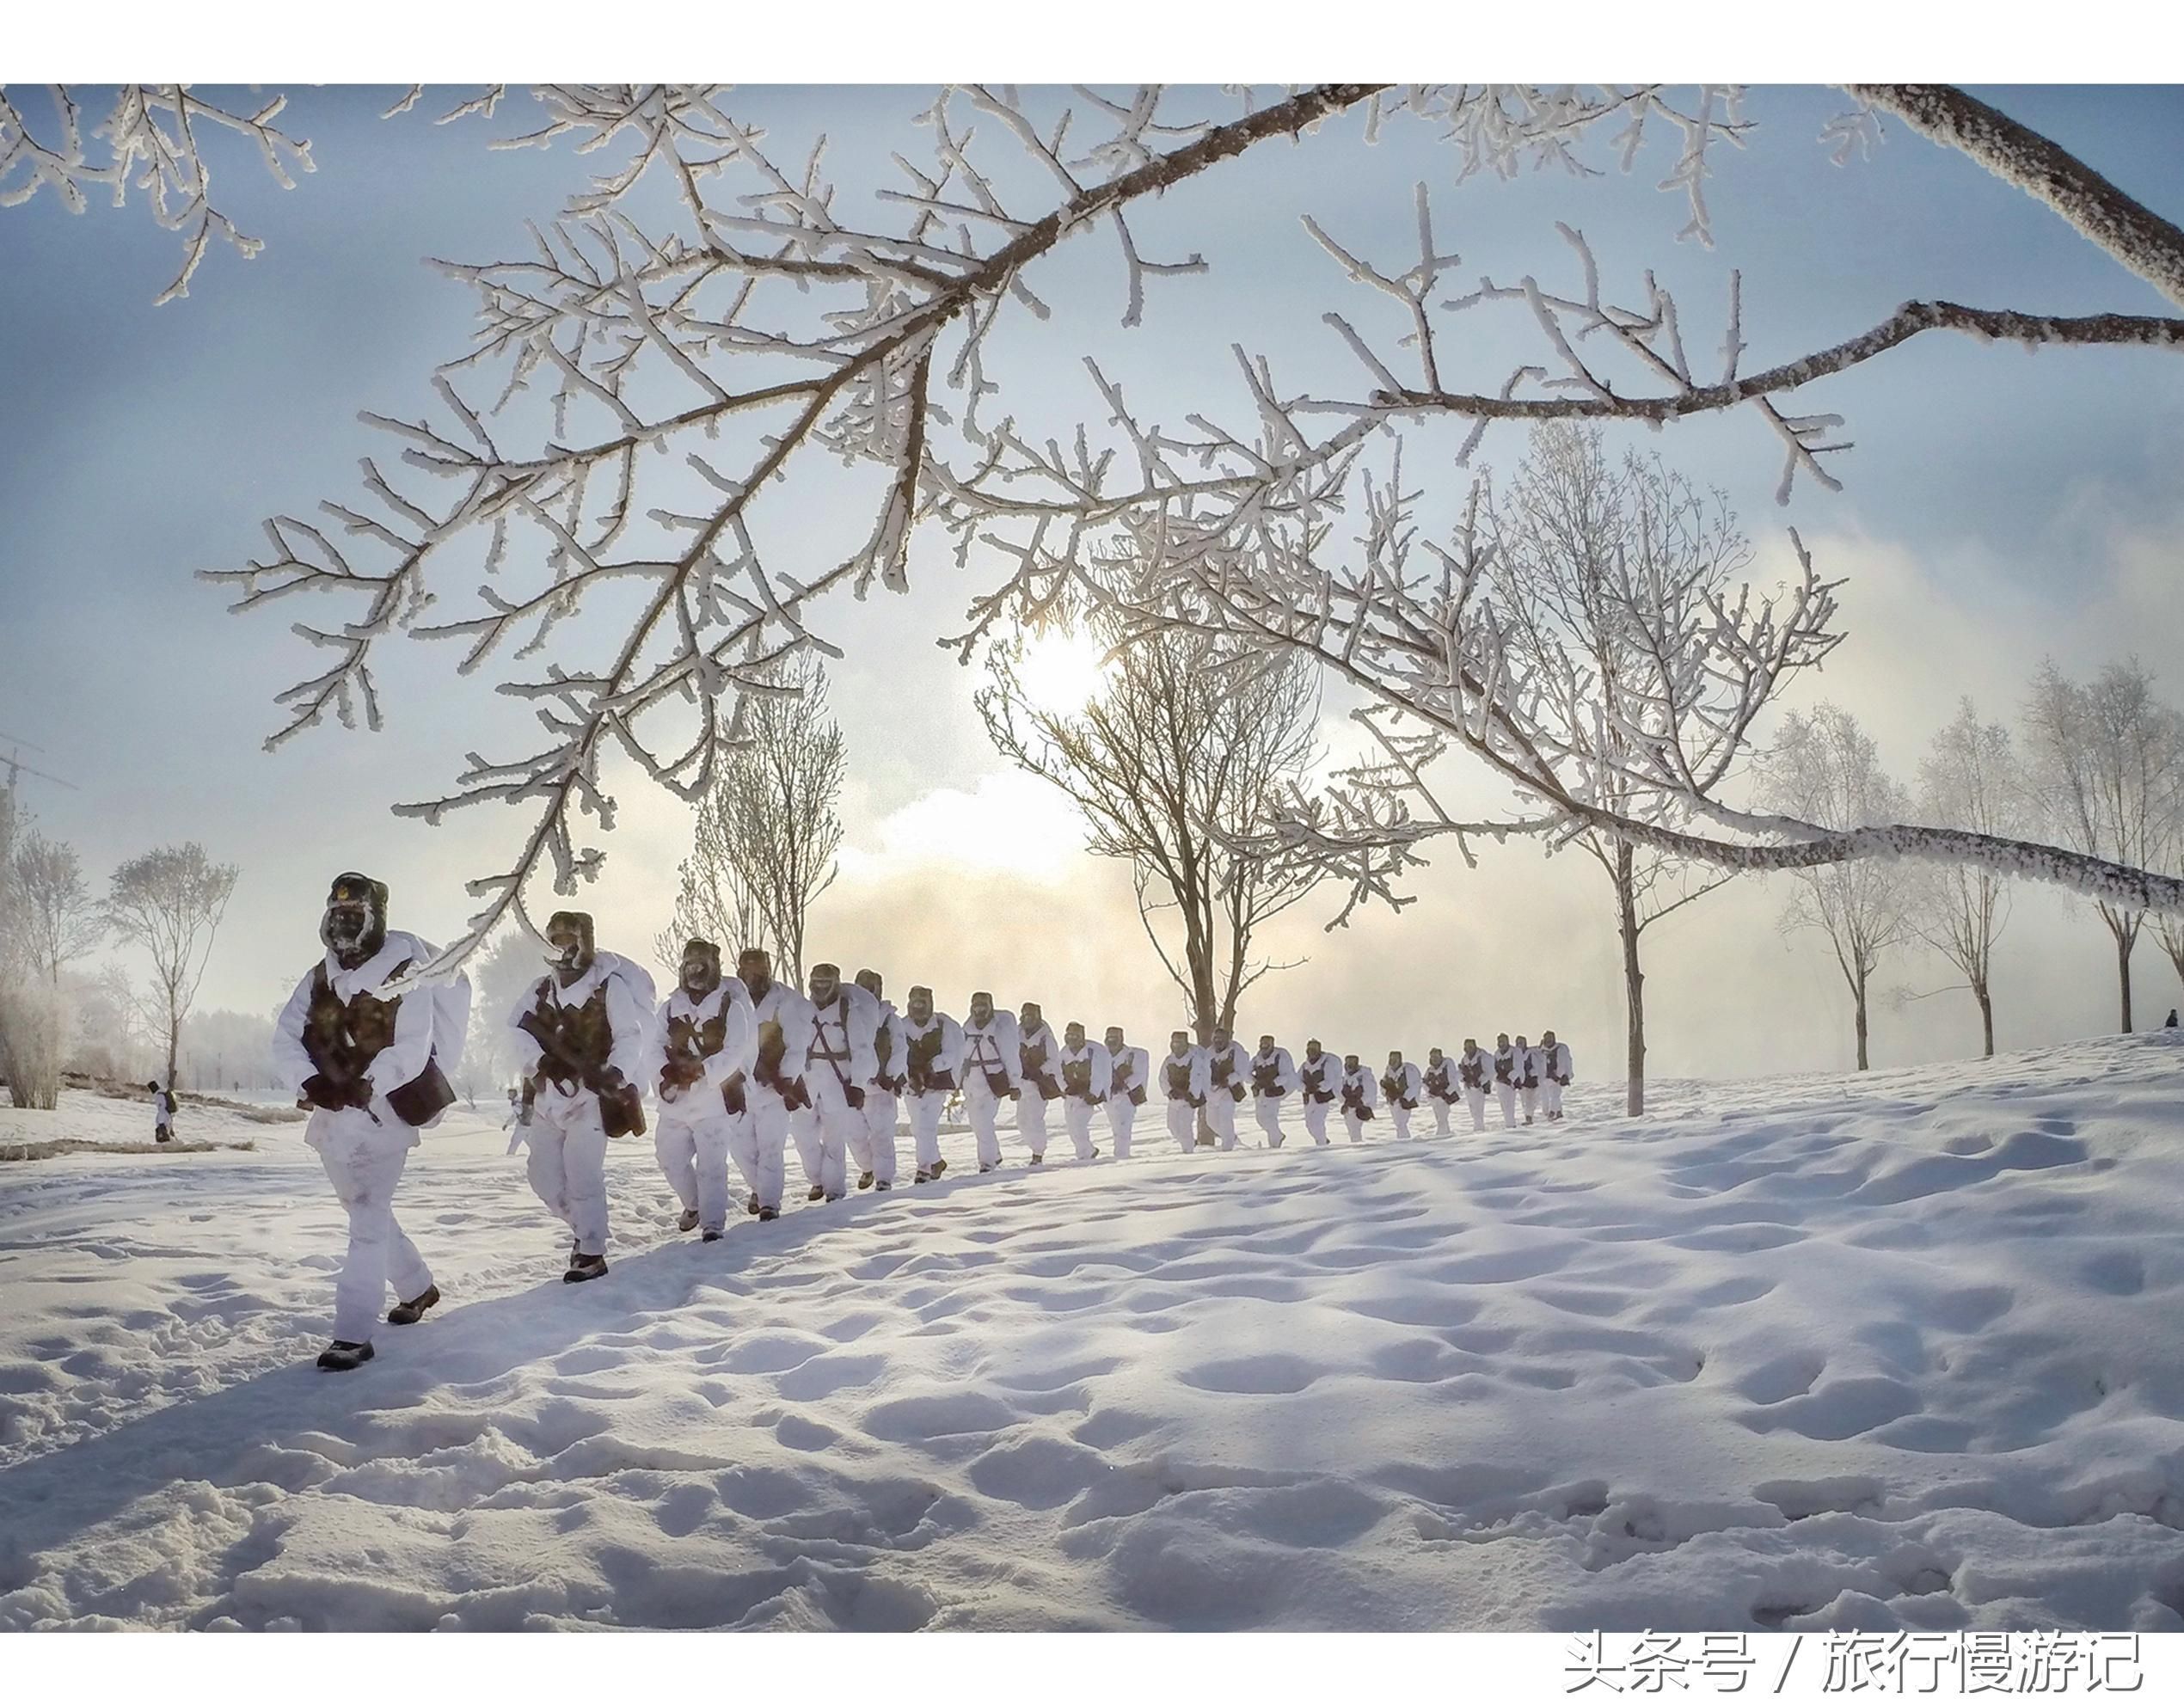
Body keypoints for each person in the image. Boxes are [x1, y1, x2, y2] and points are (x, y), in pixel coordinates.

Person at [273, 873, 471, 1371]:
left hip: (384, 1114)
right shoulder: (317, 976)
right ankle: (418, 1287)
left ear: (374, 918)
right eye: (337, 913)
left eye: (354, 915)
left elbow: (412, 1045)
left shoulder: (408, 971)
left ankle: (352, 1334)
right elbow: (285, 1037)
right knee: (361, 1208)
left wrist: (370, 1083)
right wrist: (309, 1083)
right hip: (331, 1117)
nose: (343, 924)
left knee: (365, 1216)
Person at [509, 911, 653, 1284]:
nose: (561, 946)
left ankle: (591, 1251)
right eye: (553, 938)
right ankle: (586, 1226)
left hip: (590, 1098)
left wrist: (615, 1073)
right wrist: (539, 1062)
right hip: (547, 1099)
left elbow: (629, 1035)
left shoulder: (609, 986)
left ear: (584, 941)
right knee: (542, 1177)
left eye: (568, 938)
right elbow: (514, 1028)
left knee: (582, 1174)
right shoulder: (541, 988)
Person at [641, 939, 753, 1242]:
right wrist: (667, 1072)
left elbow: (736, 1050)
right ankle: (694, 1206)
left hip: (714, 1100)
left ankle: (713, 1224)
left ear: (714, 967)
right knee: (669, 1159)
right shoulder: (669, 1008)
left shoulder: (732, 1005)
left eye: (702, 965)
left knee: (712, 1165)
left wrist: (702, 1070)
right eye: (690, 965)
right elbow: (653, 1045)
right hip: (676, 1100)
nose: (695, 971)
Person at [734, 947, 813, 1221]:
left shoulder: (785, 1001)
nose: (754, 974)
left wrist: (785, 1078)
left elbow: (796, 1046)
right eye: (748, 968)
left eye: (760, 968)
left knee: (770, 1147)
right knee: (741, 1148)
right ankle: (759, 1188)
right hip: (739, 1087)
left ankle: (769, 1202)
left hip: (773, 1088)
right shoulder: (731, 997)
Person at [802, 963, 880, 1204]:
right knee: (803, 1137)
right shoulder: (802, 1010)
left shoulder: (849, 1012)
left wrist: (857, 1084)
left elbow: (862, 1050)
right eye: (817, 982)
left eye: (826, 982)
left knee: (834, 1139)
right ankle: (817, 1179)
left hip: (837, 1081)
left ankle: (834, 1191)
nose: (821, 987)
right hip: (807, 1080)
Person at [899, 985, 962, 1183]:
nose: (918, 1006)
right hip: (911, 1085)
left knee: (926, 1126)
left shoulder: (945, 1025)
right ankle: (936, 1162)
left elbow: (953, 1053)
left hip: (936, 1083)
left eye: (922, 1002)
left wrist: (931, 1067)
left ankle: (923, 1169)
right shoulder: (900, 1026)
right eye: (915, 1002)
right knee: (918, 1127)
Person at [852, 969, 908, 1191]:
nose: (866, 990)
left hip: (881, 1087)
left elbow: (900, 1048)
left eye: (870, 986)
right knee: (854, 1136)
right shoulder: (848, 1014)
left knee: (882, 1135)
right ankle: (868, 1168)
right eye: (862, 985)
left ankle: (884, 1179)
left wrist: (891, 1075)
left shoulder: (889, 1019)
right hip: (854, 1087)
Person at [960, 992, 1022, 1173]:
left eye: (983, 1005)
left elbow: (1011, 1056)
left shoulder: (1000, 1031)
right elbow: (961, 1057)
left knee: (983, 1121)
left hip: (992, 1082)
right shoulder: (967, 1030)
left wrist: (1015, 1083)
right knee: (976, 1123)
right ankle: (994, 1155)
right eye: (976, 1005)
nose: (979, 1009)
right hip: (971, 1082)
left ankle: (987, 1163)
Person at [1016, 1001, 1068, 1165]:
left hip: (1038, 1085)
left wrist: (1038, 1071)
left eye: (1031, 1015)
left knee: (1035, 1119)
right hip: (1021, 1083)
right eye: (1025, 1014)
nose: (1028, 1018)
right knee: (1021, 1121)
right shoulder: (1017, 1033)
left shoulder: (1046, 1037)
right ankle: (1034, 1147)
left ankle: (1038, 1154)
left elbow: (1054, 1061)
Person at [1058, 1021, 1109, 1162]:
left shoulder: (1092, 1051)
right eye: (1070, 1034)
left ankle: (1084, 1157)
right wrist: (1064, 1088)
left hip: (1086, 1097)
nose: (1072, 1038)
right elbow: (1058, 1072)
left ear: (1082, 1036)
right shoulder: (1064, 1052)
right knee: (1072, 1129)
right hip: (1070, 1097)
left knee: (1079, 1126)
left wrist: (1093, 1094)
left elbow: (1098, 1074)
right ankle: (1089, 1151)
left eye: (1076, 1035)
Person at [1160, 1029, 1211, 1154]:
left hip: (1187, 1100)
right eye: (1175, 1042)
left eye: (1180, 1042)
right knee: (1172, 1127)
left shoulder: (1193, 1059)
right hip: (1173, 1100)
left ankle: (1188, 1151)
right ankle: (1188, 1143)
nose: (1177, 1045)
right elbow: (1162, 1078)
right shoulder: (1169, 1060)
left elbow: (1196, 1078)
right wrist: (1169, 1092)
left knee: (1185, 1127)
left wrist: (1191, 1096)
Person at [1103, 1026, 1149, 1158]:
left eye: (1115, 1037)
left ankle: (1122, 1157)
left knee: (1123, 1130)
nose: (1111, 1040)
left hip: (1126, 1099)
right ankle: (1119, 1155)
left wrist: (1123, 1086)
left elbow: (1138, 1075)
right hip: (1109, 1099)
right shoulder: (1103, 1054)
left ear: (1121, 1039)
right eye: (1109, 1037)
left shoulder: (1132, 1055)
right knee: (1116, 1130)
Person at [1248, 1034, 1299, 1149]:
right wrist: (1255, 1081)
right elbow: (1247, 1073)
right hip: (1260, 1092)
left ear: (1272, 1044)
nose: (1264, 1046)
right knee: (1260, 1119)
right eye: (1262, 1043)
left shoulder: (1280, 1057)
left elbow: (1286, 1076)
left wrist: (1273, 1083)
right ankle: (1278, 1136)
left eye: (1267, 1043)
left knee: (1270, 1118)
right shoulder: (1257, 1058)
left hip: (1274, 1092)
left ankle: (1274, 1145)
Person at [1203, 1025, 1249, 1150]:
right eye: (1216, 1038)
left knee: (1225, 1119)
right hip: (1212, 1092)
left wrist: (1228, 1080)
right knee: (1211, 1122)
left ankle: (1227, 1149)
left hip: (1229, 1090)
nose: (1218, 1041)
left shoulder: (1236, 1050)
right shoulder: (1208, 1053)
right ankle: (1232, 1138)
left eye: (1221, 1038)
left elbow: (1243, 1071)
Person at [1297, 1040, 1339, 1146]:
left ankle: (1322, 1144)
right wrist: (1304, 1088)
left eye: (1314, 1048)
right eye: (1310, 1048)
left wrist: (1318, 1087)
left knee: (1317, 1122)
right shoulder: (1304, 1066)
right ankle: (1322, 1140)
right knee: (1309, 1125)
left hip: (1321, 1099)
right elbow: (1297, 1080)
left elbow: (1330, 1081)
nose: (1312, 1051)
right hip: (1307, 1099)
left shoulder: (1325, 1064)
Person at [1382, 1050, 1422, 1140]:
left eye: (1395, 1059)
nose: (1392, 1061)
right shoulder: (1388, 1071)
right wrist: (1386, 1092)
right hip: (1392, 1101)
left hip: (1403, 1101)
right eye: (1391, 1059)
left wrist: (1406, 1097)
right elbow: (1383, 1086)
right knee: (1397, 1122)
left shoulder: (1407, 1070)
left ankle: (1404, 1140)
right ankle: (1401, 1139)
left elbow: (1415, 1085)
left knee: (1402, 1123)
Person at [1339, 1053, 1378, 1143]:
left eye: (1352, 1062)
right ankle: (1356, 1146)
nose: (1350, 1064)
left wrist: (1360, 1102)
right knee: (1352, 1130)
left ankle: (1358, 1149)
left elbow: (1370, 1092)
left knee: (1355, 1130)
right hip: (1349, 1107)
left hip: (1361, 1107)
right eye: (1348, 1062)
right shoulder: (1346, 1077)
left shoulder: (1365, 1075)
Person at [1537, 1028, 1574, 1121]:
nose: (1548, 1040)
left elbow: (1565, 1062)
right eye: (1547, 1038)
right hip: (1546, 1077)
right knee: (1551, 1095)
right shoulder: (1541, 1051)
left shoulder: (1560, 1049)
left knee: (1555, 1094)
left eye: (1550, 1038)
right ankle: (1558, 1112)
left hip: (1558, 1077)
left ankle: (1553, 1112)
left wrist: (1562, 1076)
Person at [1457, 1038, 1491, 1132]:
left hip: (1479, 1087)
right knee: (1472, 1108)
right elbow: (1460, 1072)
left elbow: (1489, 1072)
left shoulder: (1483, 1056)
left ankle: (1479, 1129)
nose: (1469, 1049)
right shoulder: (1465, 1058)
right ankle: (1477, 1127)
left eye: (1471, 1047)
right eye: (1467, 1047)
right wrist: (1463, 1078)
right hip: (1468, 1087)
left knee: (1478, 1109)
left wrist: (1480, 1082)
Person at [1423, 1046, 1457, 1138]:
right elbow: (1424, 1082)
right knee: (1439, 1118)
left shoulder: (1447, 1066)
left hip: (1444, 1098)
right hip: (1435, 1099)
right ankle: (1445, 1134)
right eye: (1432, 1057)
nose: (1434, 1059)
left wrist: (1445, 1094)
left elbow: (1453, 1081)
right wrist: (1430, 1092)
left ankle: (1441, 1135)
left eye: (1436, 1056)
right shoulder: (1430, 1070)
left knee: (1442, 1118)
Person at [1492, 1034, 1520, 1128]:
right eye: (1500, 1042)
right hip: (1500, 1084)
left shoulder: (1515, 1051)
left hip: (1510, 1083)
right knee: (1503, 1106)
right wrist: (1498, 1077)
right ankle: (1508, 1123)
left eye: (1503, 1041)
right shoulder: (1497, 1053)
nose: (1501, 1044)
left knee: (1509, 1105)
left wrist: (1509, 1078)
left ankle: (1511, 1125)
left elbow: (1518, 1067)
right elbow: (1493, 1069)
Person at [1513, 1034, 1541, 1126]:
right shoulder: (1515, 1055)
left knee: (1530, 1100)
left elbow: (1537, 1067)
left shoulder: (1530, 1054)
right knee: (1524, 1101)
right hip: (1522, 1082)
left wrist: (1530, 1073)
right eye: (1518, 1043)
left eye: (1521, 1043)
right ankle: (1528, 1117)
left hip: (1531, 1081)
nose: (1519, 1044)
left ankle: (1529, 1118)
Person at [149, 1078, 176, 1145]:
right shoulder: (163, 1092)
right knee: (169, 1130)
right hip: (168, 1114)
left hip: (164, 1115)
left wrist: (161, 1122)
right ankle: (173, 1143)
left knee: (164, 1132)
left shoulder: (159, 1095)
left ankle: (165, 1144)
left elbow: (162, 1107)